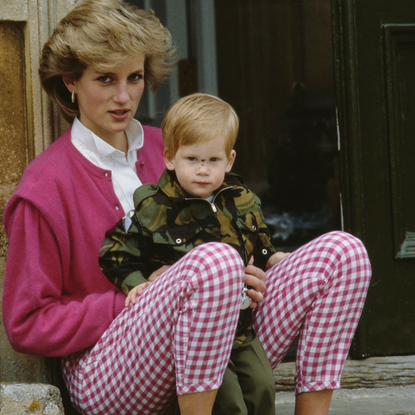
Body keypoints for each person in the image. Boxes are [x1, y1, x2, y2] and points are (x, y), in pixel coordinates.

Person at [1, 0, 372, 414]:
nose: (124, 96)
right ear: (71, 80)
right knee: (212, 262)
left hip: (221, 347)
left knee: (344, 253)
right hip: (106, 369)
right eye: (105, 79)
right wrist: (133, 297)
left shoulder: (175, 150)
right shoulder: (46, 185)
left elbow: (228, 221)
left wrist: (252, 272)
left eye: (135, 77)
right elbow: (26, 324)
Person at [99, 92, 281, 414]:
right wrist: (136, 282)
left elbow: (257, 235)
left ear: (230, 160)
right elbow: (114, 250)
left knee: (263, 389)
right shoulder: (152, 207)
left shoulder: (241, 200)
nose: (202, 170)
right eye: (192, 159)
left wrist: (270, 255)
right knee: (230, 404)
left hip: (241, 324)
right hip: (196, 334)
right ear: (170, 158)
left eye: (213, 161)